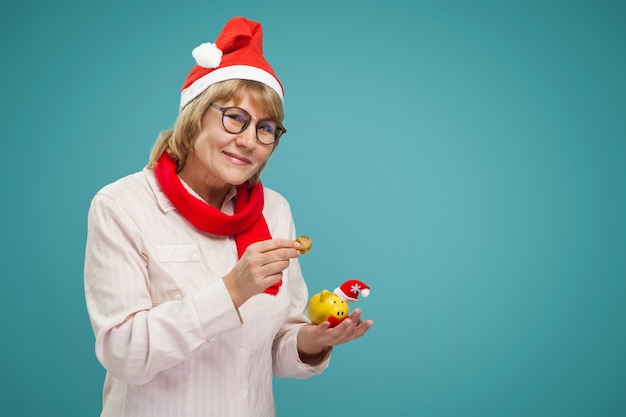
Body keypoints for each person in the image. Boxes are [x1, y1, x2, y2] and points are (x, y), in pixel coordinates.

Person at [84, 16, 373, 417]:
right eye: (235, 118)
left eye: (266, 128)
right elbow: (125, 353)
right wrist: (232, 290)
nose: (249, 141)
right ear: (196, 115)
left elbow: (274, 348)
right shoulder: (122, 205)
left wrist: (311, 340)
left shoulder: (275, 210)